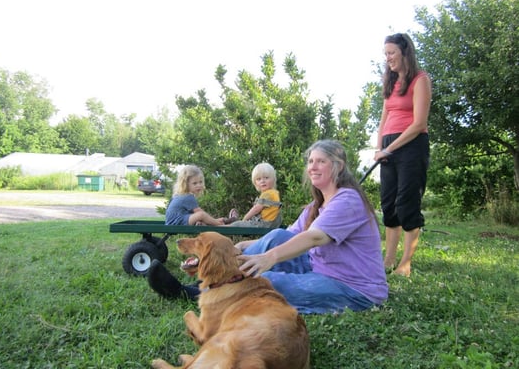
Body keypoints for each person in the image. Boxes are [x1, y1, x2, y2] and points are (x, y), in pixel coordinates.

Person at [148, 140, 388, 314]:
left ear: (339, 166)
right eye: (310, 161)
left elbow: (314, 238)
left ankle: (198, 294)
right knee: (276, 236)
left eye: (321, 161)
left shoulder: (348, 199)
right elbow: (291, 236)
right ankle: (208, 280)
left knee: (270, 281)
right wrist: (244, 245)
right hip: (319, 268)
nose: (312, 166)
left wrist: (268, 258)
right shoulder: (317, 205)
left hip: (354, 288)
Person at [374, 33, 431, 277]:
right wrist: (379, 148)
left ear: (405, 52)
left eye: (391, 53)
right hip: (389, 145)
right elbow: (383, 120)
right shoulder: (390, 82)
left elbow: (419, 123)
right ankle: (388, 259)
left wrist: (391, 147)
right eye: (385, 54)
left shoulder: (420, 80)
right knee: (388, 204)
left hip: (411, 144)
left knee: (407, 202)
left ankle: (405, 263)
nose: (387, 58)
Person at [228, 162, 282, 228]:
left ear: (273, 179)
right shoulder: (275, 192)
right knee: (242, 223)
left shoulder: (267, 194)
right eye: (259, 179)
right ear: (255, 182)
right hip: (273, 224)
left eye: (266, 178)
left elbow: (256, 209)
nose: (262, 181)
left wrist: (244, 219)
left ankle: (220, 227)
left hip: (264, 224)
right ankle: (229, 221)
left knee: (236, 225)